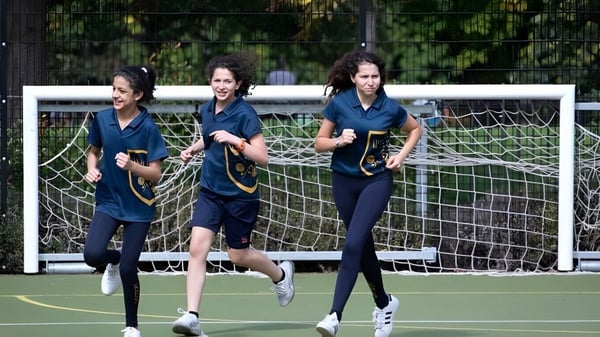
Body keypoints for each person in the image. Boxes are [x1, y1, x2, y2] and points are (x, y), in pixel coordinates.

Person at [171, 53, 295, 337]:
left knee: (237, 255)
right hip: (210, 191)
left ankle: (280, 275)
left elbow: (262, 157)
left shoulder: (244, 114)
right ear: (210, 81)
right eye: (217, 80)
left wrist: (235, 140)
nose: (222, 85)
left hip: (240, 194)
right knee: (196, 250)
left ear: (238, 83)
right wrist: (193, 148)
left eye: (228, 81)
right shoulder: (207, 109)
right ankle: (192, 316)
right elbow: (210, 136)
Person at [314, 50, 423, 337]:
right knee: (362, 246)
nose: (370, 81)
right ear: (353, 77)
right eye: (364, 76)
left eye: (375, 76)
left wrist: (401, 156)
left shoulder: (389, 107)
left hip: (376, 181)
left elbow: (415, 129)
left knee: (352, 244)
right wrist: (338, 141)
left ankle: (334, 315)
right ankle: (384, 303)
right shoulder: (340, 104)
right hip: (343, 182)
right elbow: (319, 143)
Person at [83, 65, 169, 337]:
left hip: (139, 207)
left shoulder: (148, 128)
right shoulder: (102, 119)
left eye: (122, 91)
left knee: (131, 268)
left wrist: (132, 166)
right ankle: (114, 261)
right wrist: (91, 168)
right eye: (113, 89)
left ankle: (131, 325)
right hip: (108, 200)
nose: (115, 95)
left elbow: (155, 173)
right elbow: (93, 152)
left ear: (137, 94)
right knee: (92, 255)